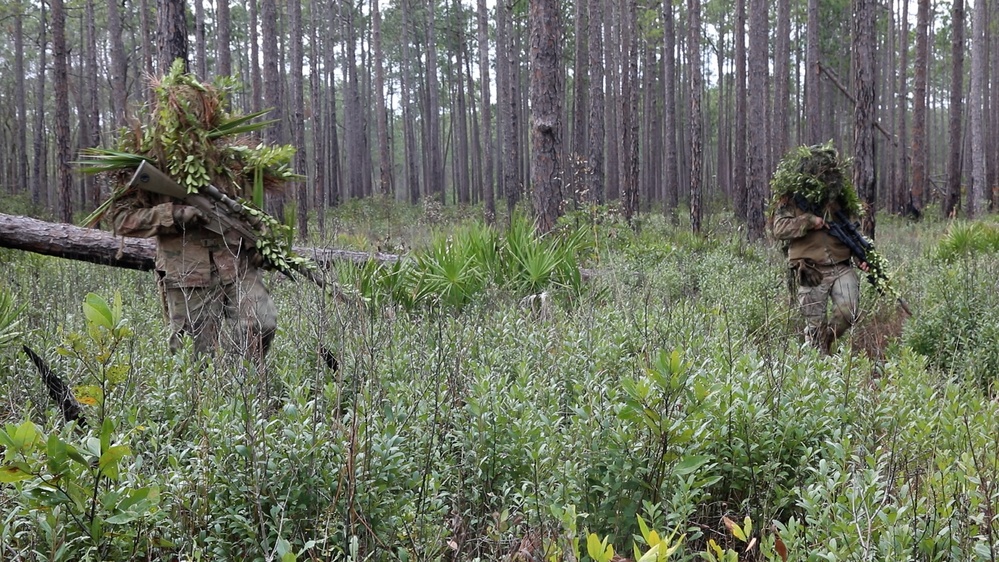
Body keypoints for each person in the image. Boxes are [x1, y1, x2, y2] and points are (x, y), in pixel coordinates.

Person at [111, 187, 277, 363]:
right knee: (195, 356)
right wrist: (173, 214)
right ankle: (210, 387)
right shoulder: (152, 166)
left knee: (262, 324)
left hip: (238, 264)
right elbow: (121, 220)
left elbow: (245, 207)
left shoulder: (231, 163)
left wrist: (260, 239)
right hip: (189, 272)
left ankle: (240, 381)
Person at [770, 144, 869, 354]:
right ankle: (820, 360)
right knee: (815, 331)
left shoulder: (839, 199)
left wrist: (861, 256)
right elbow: (779, 228)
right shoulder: (791, 198)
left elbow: (851, 231)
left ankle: (826, 342)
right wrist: (808, 221)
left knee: (848, 313)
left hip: (841, 266)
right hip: (811, 270)